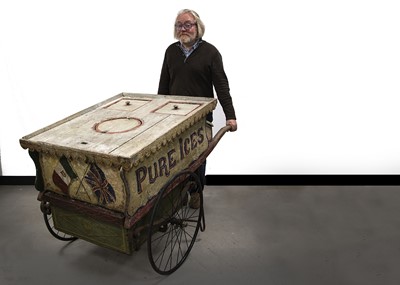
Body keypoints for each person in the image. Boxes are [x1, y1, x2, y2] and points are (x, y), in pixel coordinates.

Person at [157, 9, 237, 208]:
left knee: (198, 156)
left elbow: (222, 86)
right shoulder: (171, 51)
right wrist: (156, 114)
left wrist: (231, 116)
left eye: (187, 24)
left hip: (200, 117)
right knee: (175, 155)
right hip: (173, 116)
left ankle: (195, 191)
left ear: (198, 27)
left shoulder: (211, 53)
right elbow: (163, 86)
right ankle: (179, 192)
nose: (183, 29)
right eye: (179, 25)